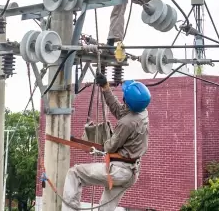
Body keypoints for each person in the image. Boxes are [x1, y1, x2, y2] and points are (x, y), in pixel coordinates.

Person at [61, 73, 151, 211]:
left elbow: (110, 146)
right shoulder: (142, 112)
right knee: (105, 209)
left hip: (119, 171)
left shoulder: (127, 123)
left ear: (127, 101)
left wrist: (101, 142)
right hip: (131, 172)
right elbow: (119, 110)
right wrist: (105, 88)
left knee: (75, 173)